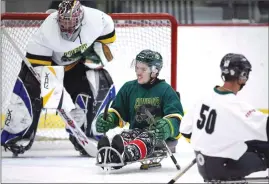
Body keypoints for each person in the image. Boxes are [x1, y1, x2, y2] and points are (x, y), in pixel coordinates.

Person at [1, 0, 116, 156]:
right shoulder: (46, 32)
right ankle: (16, 135)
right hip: (49, 65)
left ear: (81, 18)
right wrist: (61, 99)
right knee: (29, 83)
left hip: (77, 65)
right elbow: (39, 71)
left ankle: (90, 133)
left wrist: (93, 58)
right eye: (63, 23)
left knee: (102, 81)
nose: (67, 27)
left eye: (71, 22)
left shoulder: (100, 20)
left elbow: (108, 45)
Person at [180, 53, 269, 181]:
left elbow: (185, 130)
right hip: (224, 167)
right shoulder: (235, 106)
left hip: (204, 164)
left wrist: (207, 145)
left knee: (251, 143)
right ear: (243, 75)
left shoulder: (204, 98)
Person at [95, 49, 184, 167]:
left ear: (154, 71)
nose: (138, 72)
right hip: (136, 131)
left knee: (147, 137)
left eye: (143, 69)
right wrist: (110, 119)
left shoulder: (166, 90)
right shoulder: (128, 88)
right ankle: (111, 151)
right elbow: (118, 112)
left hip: (158, 136)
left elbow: (176, 118)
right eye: (137, 67)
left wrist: (167, 126)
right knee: (124, 136)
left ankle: (125, 154)